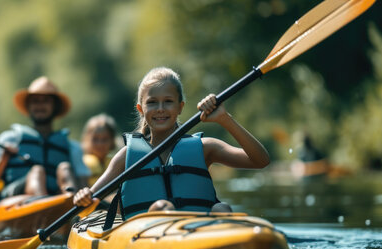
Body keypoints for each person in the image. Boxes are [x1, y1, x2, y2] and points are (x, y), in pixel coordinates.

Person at [73, 67, 270, 219]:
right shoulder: (126, 156)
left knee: (222, 209)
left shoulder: (205, 148)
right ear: (141, 109)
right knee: (162, 207)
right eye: (152, 102)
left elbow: (260, 160)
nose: (160, 109)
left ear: (180, 107)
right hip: (148, 237)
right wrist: (84, 195)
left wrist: (225, 119)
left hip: (199, 232)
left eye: (168, 101)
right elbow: (91, 199)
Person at [0, 76, 89, 204]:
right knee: (37, 171)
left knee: (65, 168)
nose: (40, 106)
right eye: (35, 101)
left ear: (54, 107)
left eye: (45, 101)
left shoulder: (72, 148)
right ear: (28, 107)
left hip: (58, 202)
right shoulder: (9, 139)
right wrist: (4, 157)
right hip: (15, 198)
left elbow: (83, 185)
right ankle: (43, 207)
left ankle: (72, 207)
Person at [81, 114, 117, 186]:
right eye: (95, 139)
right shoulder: (82, 164)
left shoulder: (117, 162)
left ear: (112, 141)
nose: (99, 144)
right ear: (86, 139)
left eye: (105, 139)